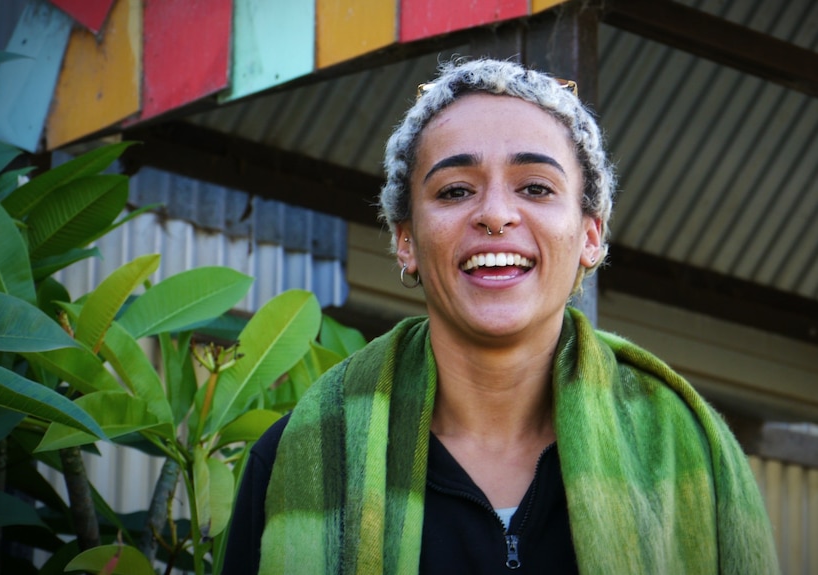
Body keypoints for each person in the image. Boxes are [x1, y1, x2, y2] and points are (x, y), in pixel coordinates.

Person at [221, 58, 779, 574]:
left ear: (590, 236)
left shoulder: (691, 451)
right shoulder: (295, 457)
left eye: (536, 187)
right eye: (456, 190)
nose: (494, 215)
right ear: (406, 241)